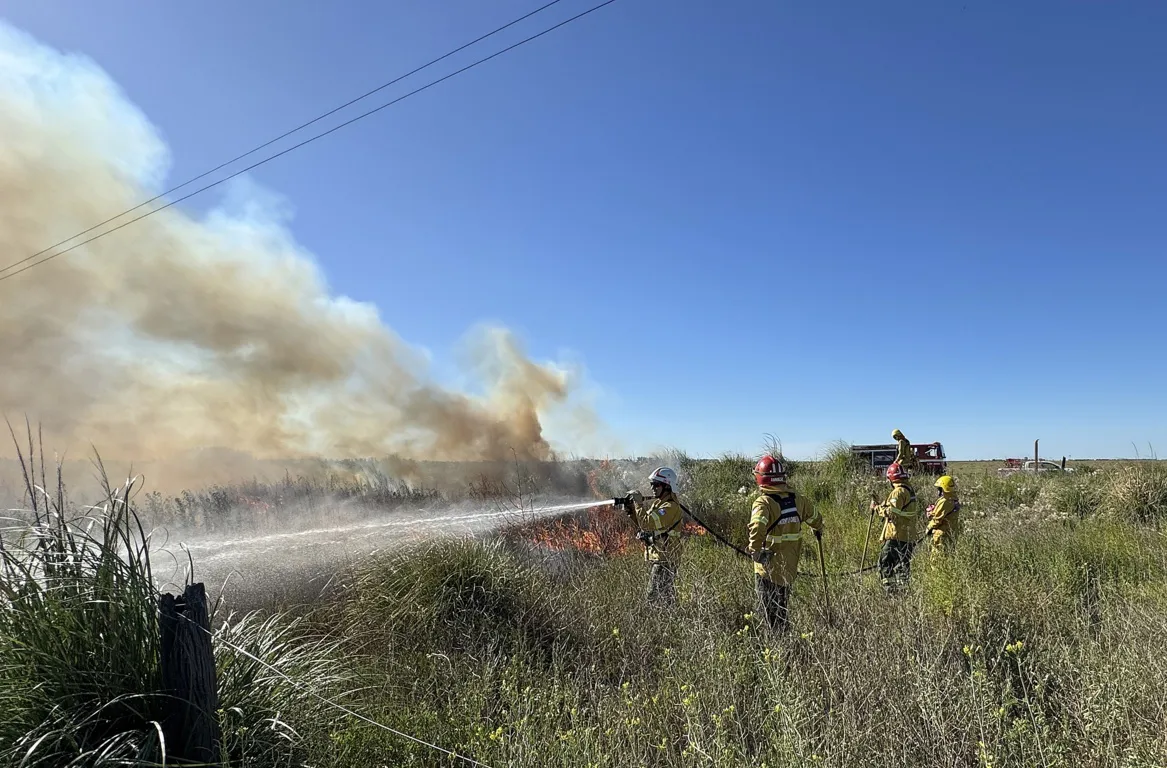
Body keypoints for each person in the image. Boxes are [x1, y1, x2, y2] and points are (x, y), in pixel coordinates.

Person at [747, 454, 823, 632]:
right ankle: (784, 635)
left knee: (768, 611)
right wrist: (817, 528)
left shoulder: (763, 502)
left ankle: (776, 641)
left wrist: (755, 550)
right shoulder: (799, 500)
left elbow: (757, 526)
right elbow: (816, 519)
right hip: (789, 567)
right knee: (781, 606)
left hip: (768, 569)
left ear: (760, 478)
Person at [622, 466, 684, 605]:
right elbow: (643, 525)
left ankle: (660, 616)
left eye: (656, 485)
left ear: (667, 486)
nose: (652, 488)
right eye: (652, 484)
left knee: (652, 596)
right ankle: (671, 615)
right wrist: (631, 512)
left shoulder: (669, 507)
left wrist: (639, 504)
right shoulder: (658, 504)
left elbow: (647, 524)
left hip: (666, 558)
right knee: (665, 596)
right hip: (659, 555)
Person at [872, 461, 922, 594]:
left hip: (896, 535)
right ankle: (903, 592)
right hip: (907, 535)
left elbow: (892, 513)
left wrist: (877, 509)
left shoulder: (898, 492)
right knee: (902, 565)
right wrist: (882, 505)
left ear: (891, 478)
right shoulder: (909, 490)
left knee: (885, 563)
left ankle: (890, 591)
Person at [926, 475, 961, 555]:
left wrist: (929, 528)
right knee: (949, 554)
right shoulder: (953, 498)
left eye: (939, 488)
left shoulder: (945, 501)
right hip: (951, 532)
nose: (938, 491)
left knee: (937, 557)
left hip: (941, 534)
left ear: (943, 489)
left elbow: (937, 519)